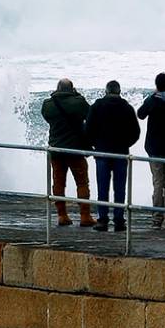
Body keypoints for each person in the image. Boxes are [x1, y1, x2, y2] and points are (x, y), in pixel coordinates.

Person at [84, 79, 140, 232]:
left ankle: (102, 220)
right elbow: (136, 132)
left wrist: (96, 144)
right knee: (120, 188)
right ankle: (119, 220)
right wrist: (125, 144)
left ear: (106, 91)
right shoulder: (127, 108)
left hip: (102, 152)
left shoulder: (96, 107)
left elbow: (88, 130)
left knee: (103, 187)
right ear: (119, 91)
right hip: (121, 153)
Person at [40, 78, 94, 228]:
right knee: (82, 182)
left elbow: (46, 116)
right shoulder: (78, 102)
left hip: (56, 149)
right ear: (71, 89)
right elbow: (89, 115)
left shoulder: (48, 104)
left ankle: (62, 215)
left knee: (58, 183)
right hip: (75, 150)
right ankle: (85, 216)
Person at [136, 73, 165, 229]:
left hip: (155, 148)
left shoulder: (152, 101)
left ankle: (157, 218)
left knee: (157, 182)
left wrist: (151, 97)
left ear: (156, 85)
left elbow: (140, 114)